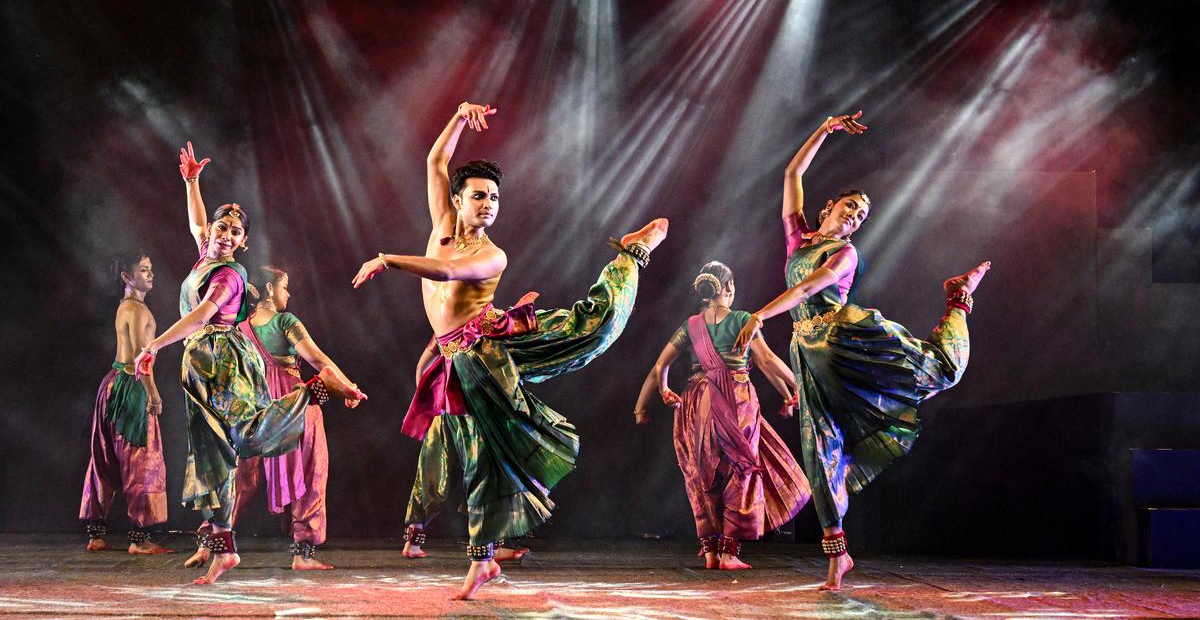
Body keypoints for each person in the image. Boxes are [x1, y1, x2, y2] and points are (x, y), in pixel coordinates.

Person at [353, 101, 668, 600]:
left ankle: (632, 255)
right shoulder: (439, 228)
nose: (488, 205)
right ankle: (483, 557)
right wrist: (458, 116)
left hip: (492, 350)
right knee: (472, 453)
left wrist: (387, 259)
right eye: (479, 196)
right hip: (455, 358)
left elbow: (448, 274)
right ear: (457, 201)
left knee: (587, 326)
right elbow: (436, 163)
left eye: (495, 198)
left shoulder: (490, 253)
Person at [732, 111, 990, 590]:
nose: (853, 217)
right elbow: (792, 174)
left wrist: (759, 316)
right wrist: (826, 129)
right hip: (808, 355)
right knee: (818, 451)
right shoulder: (799, 238)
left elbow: (814, 286)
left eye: (861, 216)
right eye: (849, 207)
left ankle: (959, 299)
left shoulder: (843, 254)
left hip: (847, 339)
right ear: (828, 207)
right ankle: (837, 558)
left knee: (939, 370)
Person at [134, 142, 367, 585]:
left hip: (222, 357)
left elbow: (203, 315)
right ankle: (224, 548)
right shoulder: (205, 254)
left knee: (244, 435)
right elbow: (197, 222)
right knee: (210, 454)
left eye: (233, 232)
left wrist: (155, 345)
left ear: (243, 242)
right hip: (197, 364)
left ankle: (316, 390)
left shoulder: (230, 274)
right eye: (220, 227)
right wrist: (191, 181)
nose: (223, 234)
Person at [182, 266, 362, 571]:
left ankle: (209, 544)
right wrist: (349, 387)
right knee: (310, 473)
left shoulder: (240, 327)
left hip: (255, 404)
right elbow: (317, 359)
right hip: (293, 406)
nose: (288, 294)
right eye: (285, 287)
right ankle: (302, 554)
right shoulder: (286, 321)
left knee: (240, 478)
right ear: (268, 289)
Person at [635, 261, 810, 570]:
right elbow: (767, 361)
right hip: (735, 399)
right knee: (739, 469)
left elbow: (660, 366)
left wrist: (649, 400)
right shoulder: (743, 319)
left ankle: (712, 551)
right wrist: (799, 388)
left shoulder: (690, 326)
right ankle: (730, 552)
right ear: (728, 288)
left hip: (695, 402)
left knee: (702, 473)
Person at [79, 250, 174, 555]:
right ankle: (139, 538)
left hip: (111, 385)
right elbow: (139, 358)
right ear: (126, 277)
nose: (150, 274)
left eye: (150, 268)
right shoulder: (137, 311)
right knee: (140, 459)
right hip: (131, 386)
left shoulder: (125, 307)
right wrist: (153, 393)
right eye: (143, 270)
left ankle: (96, 535)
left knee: (104, 457)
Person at [401, 339, 530, 564]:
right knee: (483, 472)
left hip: (446, 407)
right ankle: (491, 545)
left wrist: (428, 398)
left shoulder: (446, 324)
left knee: (433, 470)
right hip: (467, 411)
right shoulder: (476, 325)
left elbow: (423, 363)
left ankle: (413, 541)